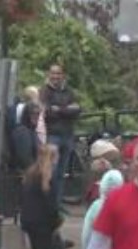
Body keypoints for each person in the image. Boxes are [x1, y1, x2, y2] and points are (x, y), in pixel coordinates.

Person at [20, 144, 61, 249]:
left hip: (29, 222)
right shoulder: (48, 177)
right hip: (43, 224)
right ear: (53, 157)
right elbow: (51, 205)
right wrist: (57, 222)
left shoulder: (30, 174)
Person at [39, 64, 82, 208]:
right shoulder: (44, 91)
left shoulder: (69, 91)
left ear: (63, 75)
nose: (56, 76)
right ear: (49, 74)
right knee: (51, 172)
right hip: (52, 137)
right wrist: (67, 110)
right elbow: (48, 112)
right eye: (53, 73)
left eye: (59, 74)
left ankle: (56, 205)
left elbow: (77, 110)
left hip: (67, 135)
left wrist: (60, 110)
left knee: (61, 174)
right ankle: (47, 205)